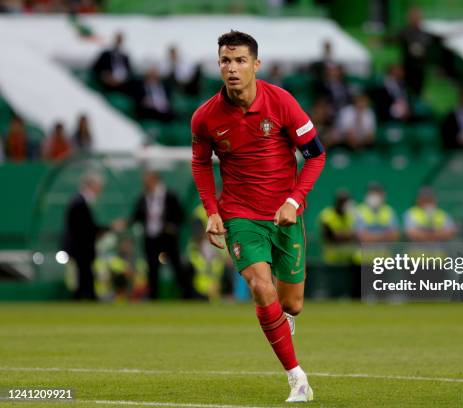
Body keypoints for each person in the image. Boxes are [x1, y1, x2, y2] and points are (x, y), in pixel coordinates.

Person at [191, 31, 325, 403]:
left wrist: (294, 201)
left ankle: (281, 325)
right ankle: (297, 378)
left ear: (255, 65)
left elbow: (316, 154)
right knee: (260, 286)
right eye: (225, 61)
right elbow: (200, 164)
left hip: (284, 214)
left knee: (291, 304)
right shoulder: (204, 117)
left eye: (239, 61)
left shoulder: (281, 102)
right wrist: (212, 211)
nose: (232, 68)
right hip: (240, 215)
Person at [130, 170, 189, 300]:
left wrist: (172, 226)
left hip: (167, 238)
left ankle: (187, 293)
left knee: (176, 265)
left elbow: (180, 215)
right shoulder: (144, 198)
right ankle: (153, 296)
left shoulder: (170, 196)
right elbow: (137, 216)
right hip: (151, 238)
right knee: (152, 268)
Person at [62, 172, 107, 300]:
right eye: (99, 186)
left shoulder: (79, 201)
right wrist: (106, 229)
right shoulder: (79, 202)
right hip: (81, 246)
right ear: (92, 185)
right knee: (84, 272)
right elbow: (85, 227)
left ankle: (87, 295)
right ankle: (86, 296)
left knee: (84, 272)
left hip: (82, 246)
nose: (100, 190)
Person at [395, 7, 432, 96]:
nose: (416, 19)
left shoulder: (425, 33)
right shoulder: (405, 32)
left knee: (418, 93)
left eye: (417, 17)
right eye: (413, 17)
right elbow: (393, 38)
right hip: (407, 68)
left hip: (420, 69)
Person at [318, 190, 355, 265]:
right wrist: (347, 234)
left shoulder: (350, 215)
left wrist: (340, 234)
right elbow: (329, 236)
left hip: (348, 260)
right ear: (338, 203)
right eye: (343, 202)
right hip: (331, 261)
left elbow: (355, 235)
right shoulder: (327, 214)